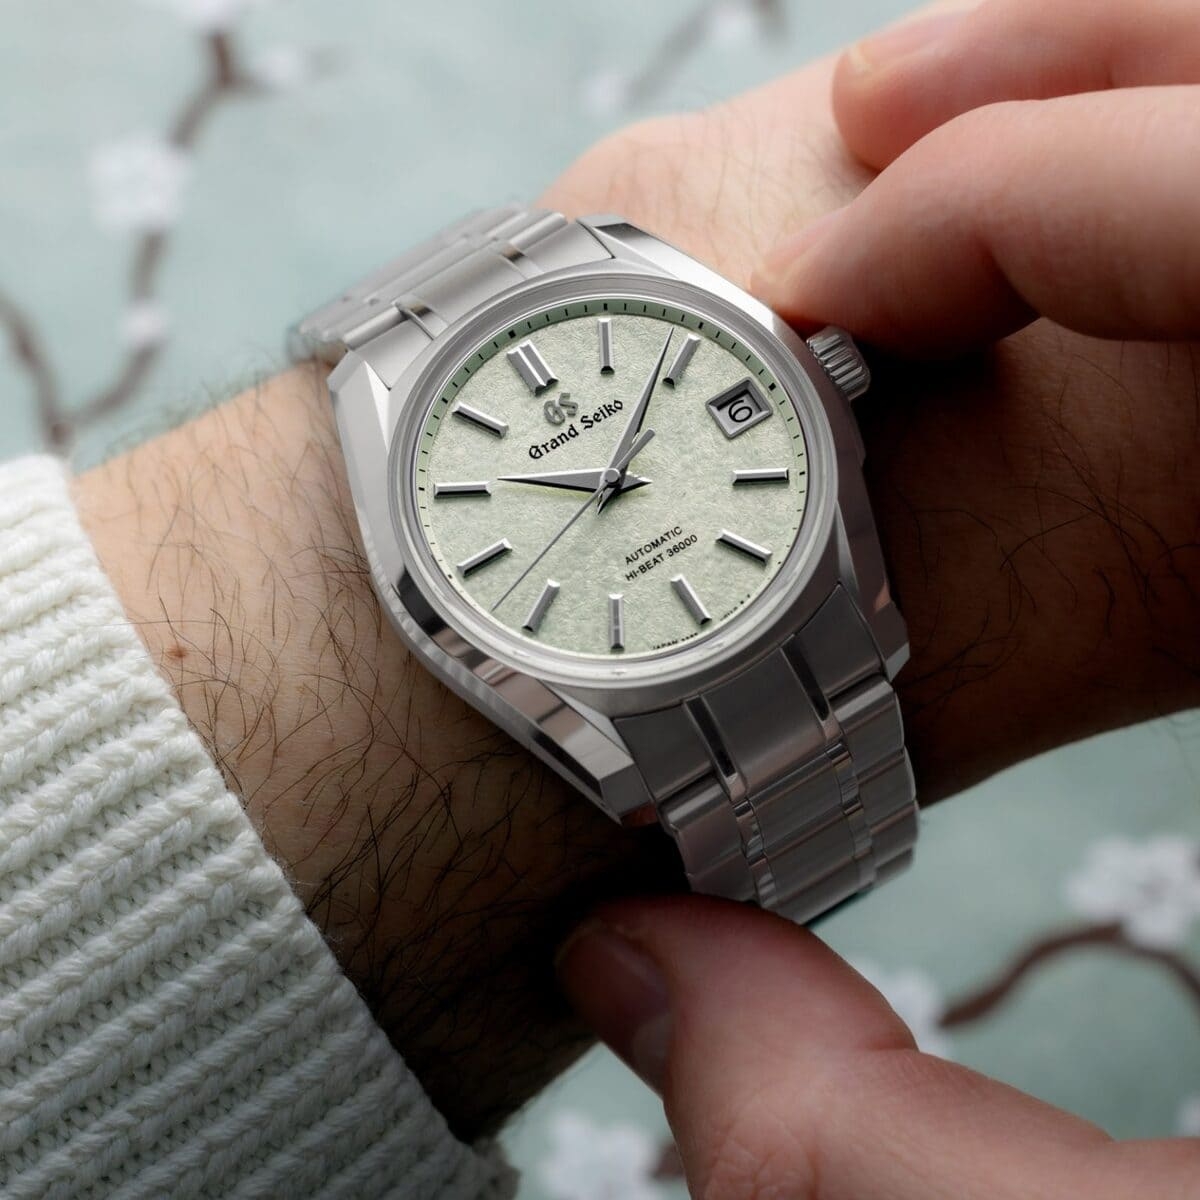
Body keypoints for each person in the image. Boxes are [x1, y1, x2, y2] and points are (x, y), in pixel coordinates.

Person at [1, 0, 1196, 1195]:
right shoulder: (436, 585)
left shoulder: (821, 474)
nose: (612, 480)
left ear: (825, 382)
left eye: (613, 470)